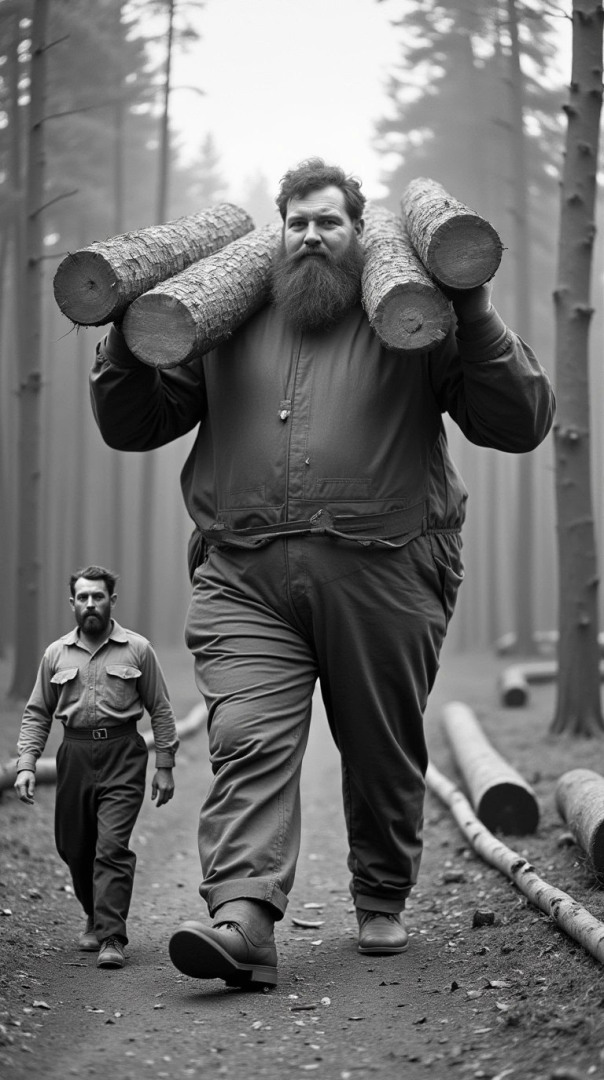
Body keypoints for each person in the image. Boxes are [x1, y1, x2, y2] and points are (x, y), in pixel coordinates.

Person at [89, 159, 555, 989]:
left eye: (328, 222)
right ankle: (242, 920)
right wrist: (125, 343)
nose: (310, 235)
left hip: (386, 566)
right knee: (246, 741)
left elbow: (518, 422)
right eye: (297, 221)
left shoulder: (406, 304)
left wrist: (471, 309)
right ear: (276, 234)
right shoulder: (225, 310)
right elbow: (136, 425)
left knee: (381, 748)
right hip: (243, 572)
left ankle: (380, 892)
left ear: (358, 232)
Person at [14, 566, 179, 970]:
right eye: (83, 597)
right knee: (75, 848)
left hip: (124, 753)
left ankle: (111, 935)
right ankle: (94, 911)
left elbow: (160, 708)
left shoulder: (137, 649)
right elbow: (38, 713)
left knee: (110, 848)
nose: (91, 604)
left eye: (98, 597)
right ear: (72, 603)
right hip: (74, 755)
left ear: (111, 601)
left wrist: (165, 766)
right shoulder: (56, 654)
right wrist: (26, 765)